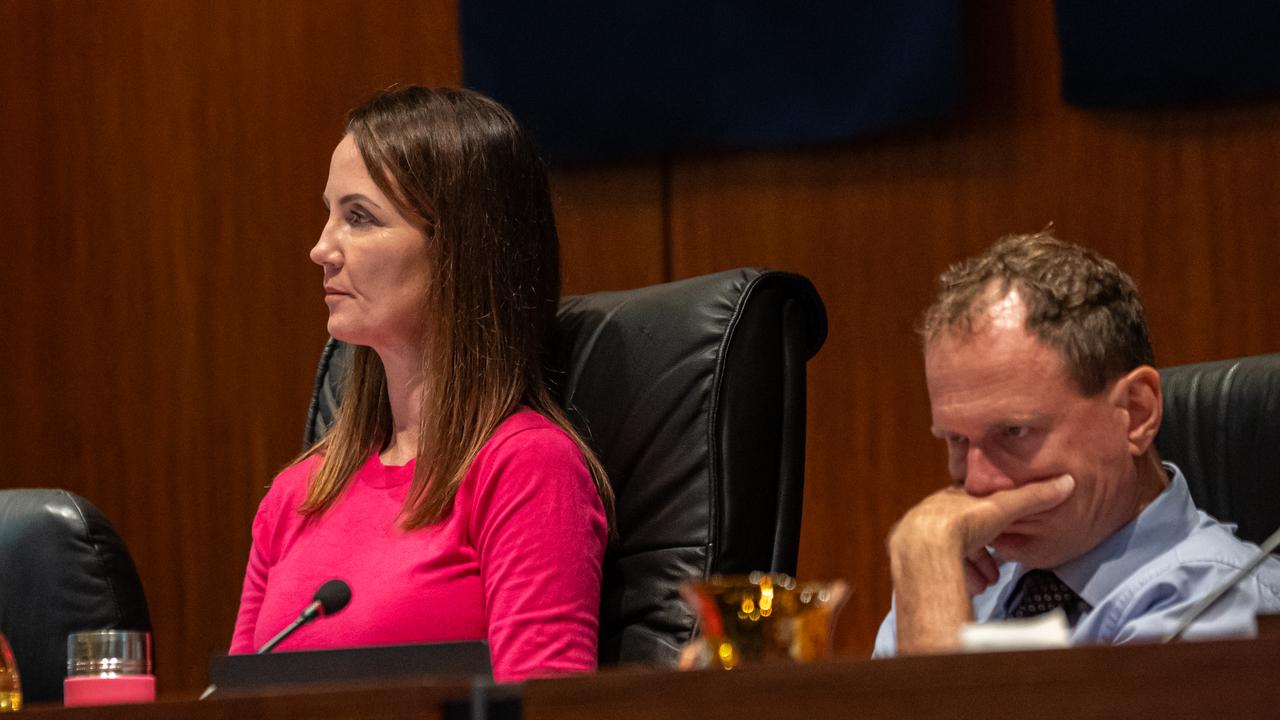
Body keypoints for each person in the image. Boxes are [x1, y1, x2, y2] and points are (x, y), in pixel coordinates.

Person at [230, 86, 614, 682]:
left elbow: (543, 709)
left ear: (460, 249)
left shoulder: (527, 469)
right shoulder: (293, 496)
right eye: (329, 213)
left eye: (359, 217)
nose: (321, 249)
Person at [874, 231, 1280, 656]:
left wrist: (926, 561)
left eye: (1014, 432)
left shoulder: (1219, 605)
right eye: (956, 439)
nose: (977, 484)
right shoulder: (960, 576)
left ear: (1136, 414)